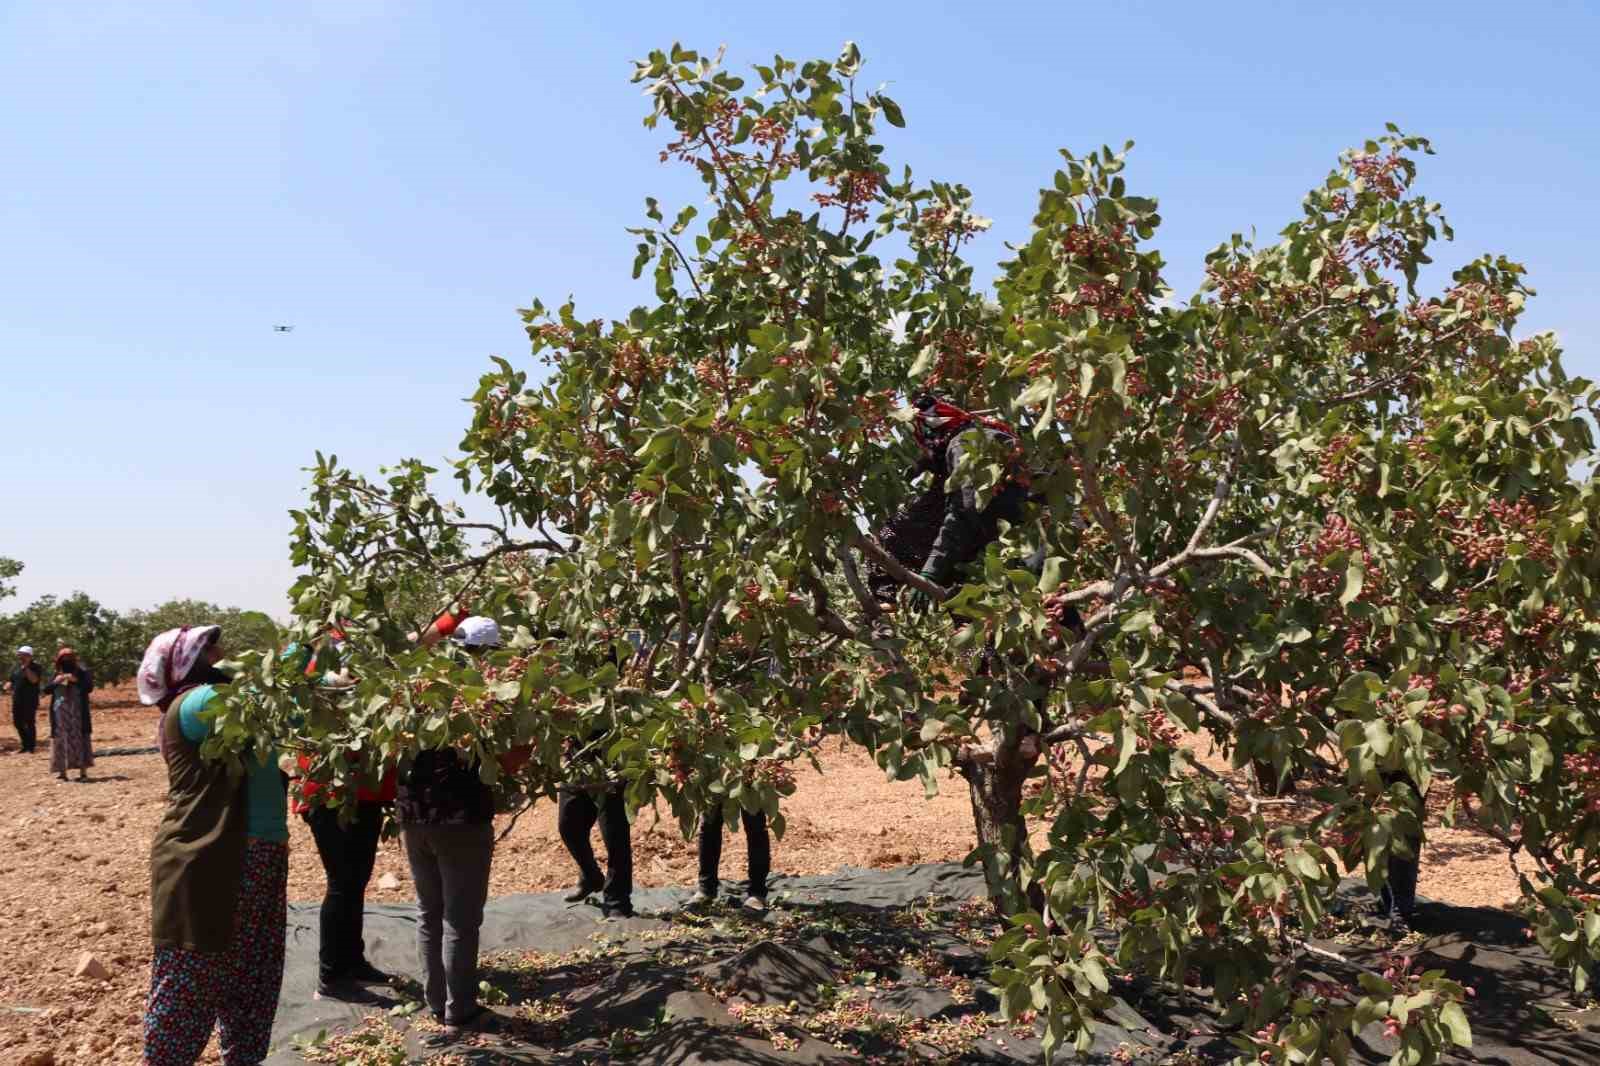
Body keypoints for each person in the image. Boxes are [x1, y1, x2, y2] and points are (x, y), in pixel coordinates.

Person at [139, 625, 290, 1066]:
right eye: (210, 650)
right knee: (192, 980)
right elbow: (261, 695)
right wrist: (309, 646)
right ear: (187, 661)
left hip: (258, 855)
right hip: (208, 860)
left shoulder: (223, 700)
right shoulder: (198, 702)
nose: (222, 654)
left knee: (253, 979)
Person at [396, 614, 529, 1030]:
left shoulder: (419, 687)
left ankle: (435, 1003)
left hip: (413, 816)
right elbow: (508, 761)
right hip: (460, 820)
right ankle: (461, 1010)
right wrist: (538, 737)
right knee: (460, 917)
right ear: (489, 652)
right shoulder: (485, 697)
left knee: (428, 912)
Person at [291, 635, 397, 1001]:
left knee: (355, 881)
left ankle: (352, 960)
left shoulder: (363, 685)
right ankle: (331, 974)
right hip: (331, 798)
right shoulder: (322, 687)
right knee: (342, 881)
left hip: (363, 795)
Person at [557, 731, 635, 919]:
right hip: (577, 759)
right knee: (568, 826)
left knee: (614, 835)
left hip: (611, 762)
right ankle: (591, 877)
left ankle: (617, 900)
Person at [692, 802, 770, 913]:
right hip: (714, 785)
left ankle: (758, 892)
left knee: (756, 824)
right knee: (709, 823)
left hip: (749, 786)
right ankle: (706, 889)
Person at [43, 647, 94, 780]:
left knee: (80, 738)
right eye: (63, 659)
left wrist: (75, 680)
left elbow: (89, 687)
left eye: (69, 658)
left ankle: (83, 772)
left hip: (78, 713)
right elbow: (46, 690)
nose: (66, 661)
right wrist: (56, 681)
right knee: (61, 739)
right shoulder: (56, 673)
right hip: (60, 714)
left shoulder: (82, 672)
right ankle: (62, 772)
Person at [6, 646, 43, 753]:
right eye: (20, 654)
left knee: (29, 722)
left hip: (30, 700)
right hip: (17, 699)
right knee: (17, 722)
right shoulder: (15, 667)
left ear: (30, 656)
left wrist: (26, 668)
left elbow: (34, 680)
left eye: (24, 655)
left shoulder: (36, 667)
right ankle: (25, 744)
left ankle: (31, 747)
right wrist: (7, 686)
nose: (21, 657)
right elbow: (11, 680)